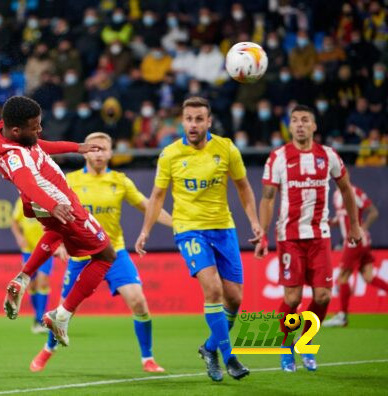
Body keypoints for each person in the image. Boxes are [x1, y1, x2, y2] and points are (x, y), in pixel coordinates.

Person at [135, 97, 260, 382]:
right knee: (213, 290)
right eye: (188, 119)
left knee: (235, 299)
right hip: (189, 230)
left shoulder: (226, 148)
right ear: (182, 121)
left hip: (223, 229)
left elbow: (243, 187)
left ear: (209, 121)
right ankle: (229, 358)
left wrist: (254, 222)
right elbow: (156, 196)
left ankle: (209, 347)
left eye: (199, 119)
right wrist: (145, 230)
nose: (193, 124)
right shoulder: (170, 154)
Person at [29, 132, 171, 373]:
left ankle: (147, 358)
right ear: (86, 151)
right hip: (81, 255)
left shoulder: (120, 181)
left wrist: (177, 223)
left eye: (104, 149)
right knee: (64, 310)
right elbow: (54, 213)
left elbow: (149, 206)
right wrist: (60, 244)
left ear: (111, 153)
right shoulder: (70, 180)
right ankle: (48, 349)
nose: (99, 153)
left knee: (139, 301)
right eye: (94, 149)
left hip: (113, 253)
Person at [0, 96, 114, 348]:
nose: (39, 130)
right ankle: (62, 315)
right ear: (16, 130)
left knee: (56, 233)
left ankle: (23, 278)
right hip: (61, 204)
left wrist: (73, 147)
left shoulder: (4, 131)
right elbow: (26, 181)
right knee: (105, 255)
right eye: (35, 126)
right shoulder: (14, 155)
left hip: (46, 206)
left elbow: (39, 145)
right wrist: (54, 205)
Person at [255, 105, 363, 373]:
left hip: (319, 236)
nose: (300, 125)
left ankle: (306, 343)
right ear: (289, 127)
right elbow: (268, 198)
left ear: (314, 127)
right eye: (295, 121)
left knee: (324, 296)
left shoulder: (328, 156)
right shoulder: (278, 157)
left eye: (305, 120)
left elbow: (346, 189)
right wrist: (262, 233)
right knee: (292, 299)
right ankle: (285, 344)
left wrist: (354, 226)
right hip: (289, 237)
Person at [323, 185, 385, 327]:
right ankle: (342, 315)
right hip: (359, 241)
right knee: (369, 277)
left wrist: (362, 229)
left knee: (342, 278)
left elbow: (373, 212)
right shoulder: (337, 195)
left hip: (354, 241)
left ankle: (342, 316)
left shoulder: (353, 192)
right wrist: (330, 223)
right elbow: (343, 218)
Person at [11, 198, 67, 334]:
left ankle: (39, 318)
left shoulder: (48, 200)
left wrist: (60, 243)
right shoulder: (22, 201)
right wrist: (19, 237)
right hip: (28, 250)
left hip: (46, 248)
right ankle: (37, 318)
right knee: (31, 284)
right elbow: (14, 221)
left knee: (43, 281)